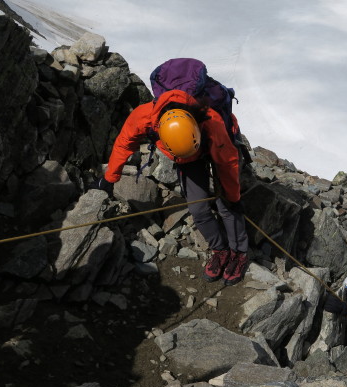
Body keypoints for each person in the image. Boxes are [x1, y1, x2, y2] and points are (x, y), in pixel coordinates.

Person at [91, 89, 249, 286]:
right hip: (185, 154)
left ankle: (239, 253)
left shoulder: (212, 121)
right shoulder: (144, 117)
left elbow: (228, 164)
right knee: (198, 208)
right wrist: (110, 177)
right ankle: (220, 251)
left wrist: (234, 198)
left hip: (215, 144)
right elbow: (124, 144)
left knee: (226, 206)